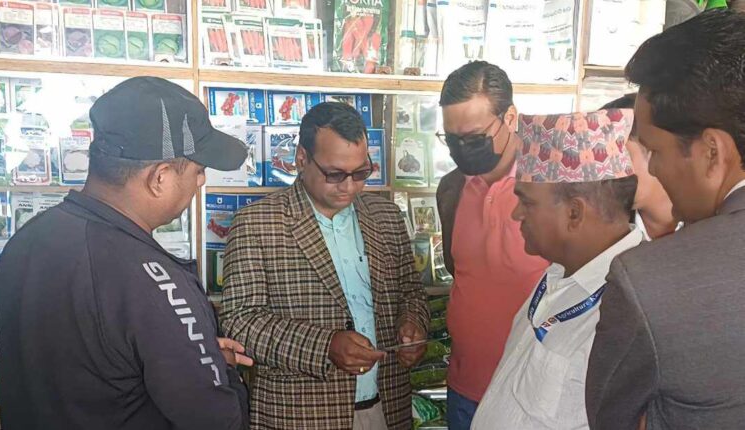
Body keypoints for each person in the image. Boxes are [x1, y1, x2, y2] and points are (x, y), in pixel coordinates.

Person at [0, 77, 252, 429]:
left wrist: (193, 351)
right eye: (198, 169)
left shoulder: (27, 240)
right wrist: (220, 369)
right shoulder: (153, 280)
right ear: (160, 178)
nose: (201, 181)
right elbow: (218, 419)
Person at [220, 102, 430, 430]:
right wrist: (325, 346)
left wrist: (412, 323)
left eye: (360, 173)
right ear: (302, 159)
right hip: (301, 415)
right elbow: (241, 322)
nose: (349, 186)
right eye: (335, 174)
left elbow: (411, 292)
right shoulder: (256, 223)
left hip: (386, 406)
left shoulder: (386, 217)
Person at [586, 9, 745, 430]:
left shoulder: (648, 280)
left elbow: (611, 419)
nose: (653, 168)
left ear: (711, 152)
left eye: (654, 150)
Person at [471, 109, 643, 429]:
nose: (516, 214)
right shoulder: (557, 275)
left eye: (527, 202)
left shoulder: (630, 308)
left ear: (574, 213)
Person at [435, 60, 549, 428]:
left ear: (510, 118)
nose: (462, 149)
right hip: (464, 389)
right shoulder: (451, 188)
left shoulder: (550, 187)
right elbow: (460, 272)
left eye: (473, 138)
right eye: (451, 139)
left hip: (530, 398)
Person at [601, 94, 678, 240]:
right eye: (601, 160)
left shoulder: (708, 223)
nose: (606, 170)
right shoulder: (603, 234)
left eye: (618, 157)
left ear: (653, 150)